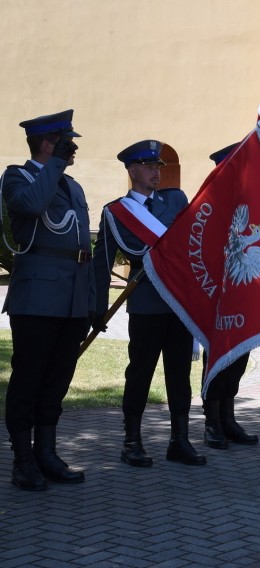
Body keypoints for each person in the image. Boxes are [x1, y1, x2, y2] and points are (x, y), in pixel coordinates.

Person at [93, 140, 206, 467]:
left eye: (158, 166)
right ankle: (132, 441)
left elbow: (193, 243)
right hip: (145, 304)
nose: (156, 172)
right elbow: (102, 262)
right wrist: (97, 307)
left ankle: (180, 440)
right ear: (131, 170)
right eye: (148, 166)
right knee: (140, 373)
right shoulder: (115, 212)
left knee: (179, 373)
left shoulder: (176, 199)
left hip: (179, 303)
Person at [2, 109, 91, 490]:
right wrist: (53, 164)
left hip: (72, 298)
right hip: (37, 298)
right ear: (46, 143)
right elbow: (33, 206)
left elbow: (82, 246)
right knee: (28, 379)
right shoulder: (16, 176)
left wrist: (92, 299)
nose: (71, 151)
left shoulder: (72, 186)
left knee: (57, 380)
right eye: (64, 143)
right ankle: (22, 461)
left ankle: (47, 453)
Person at [199, 143, 259, 449]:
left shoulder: (246, 203)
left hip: (241, 291)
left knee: (238, 357)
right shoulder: (210, 204)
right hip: (217, 295)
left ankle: (228, 417)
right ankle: (212, 421)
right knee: (217, 359)